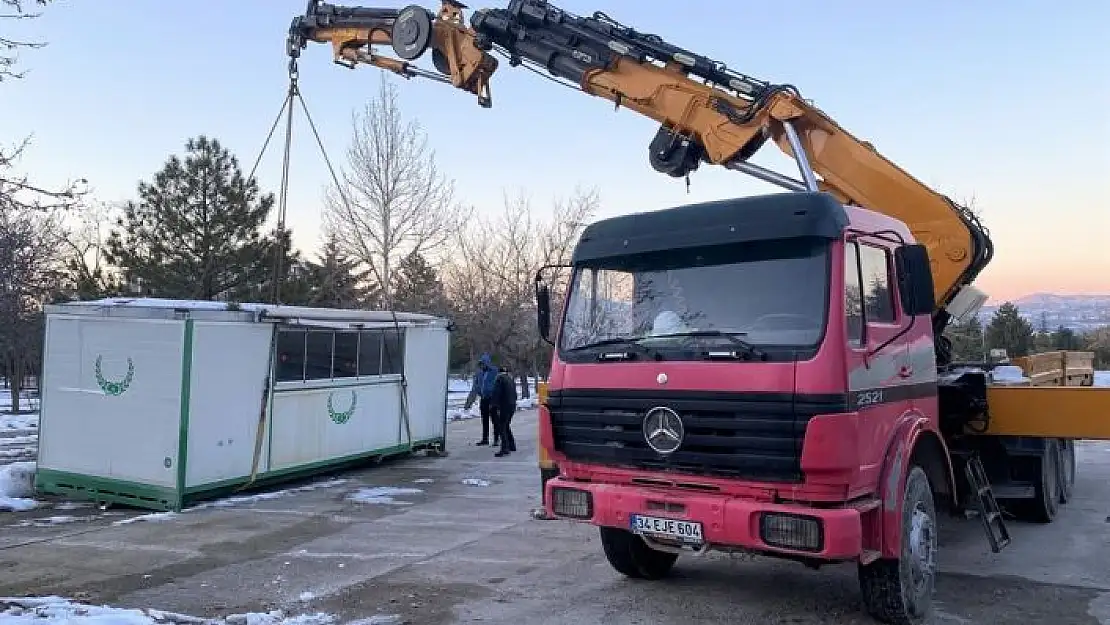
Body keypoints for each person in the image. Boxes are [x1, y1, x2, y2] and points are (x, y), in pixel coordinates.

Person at [463, 353, 499, 446]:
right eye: (481, 364)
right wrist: (469, 403)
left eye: (483, 363)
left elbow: (499, 386)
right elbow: (475, 388)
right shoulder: (479, 373)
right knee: (484, 419)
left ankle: (496, 439)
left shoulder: (494, 372)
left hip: (492, 398)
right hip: (483, 398)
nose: (482, 365)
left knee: (495, 419)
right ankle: (485, 439)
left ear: (487, 363)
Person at [490, 365, 518, 457]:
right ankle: (512, 445)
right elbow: (515, 395)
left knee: (502, 427)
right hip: (512, 405)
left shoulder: (499, 379)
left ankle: (505, 448)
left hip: (504, 406)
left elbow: (496, 393)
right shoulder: (510, 379)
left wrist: (494, 405)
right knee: (506, 425)